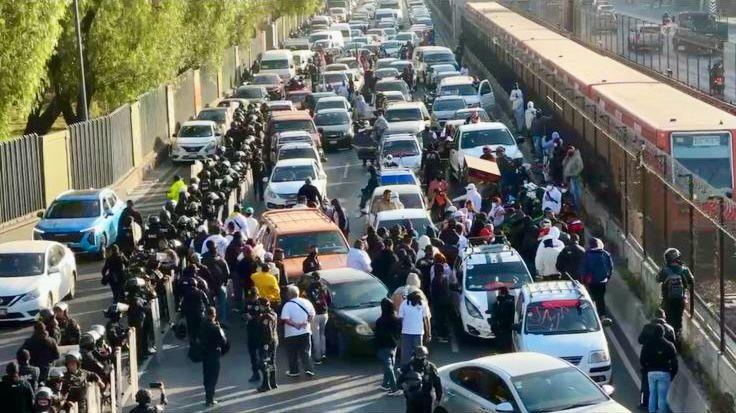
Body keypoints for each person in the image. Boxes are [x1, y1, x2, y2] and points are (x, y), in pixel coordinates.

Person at [638, 309, 677, 407]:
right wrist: (673, 372)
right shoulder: (670, 329)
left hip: (649, 364)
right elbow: (674, 346)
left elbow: (640, 340)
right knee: (662, 394)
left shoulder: (647, 327)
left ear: (654, 316)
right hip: (664, 366)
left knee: (646, 386)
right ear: (664, 317)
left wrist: (644, 365)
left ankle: (644, 403)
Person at [656, 248, 694, 336]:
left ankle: (667, 336)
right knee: (678, 319)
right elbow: (691, 282)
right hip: (680, 299)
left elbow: (657, 279)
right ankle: (678, 337)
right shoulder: (684, 269)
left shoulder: (665, 270)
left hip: (667, 299)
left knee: (668, 319)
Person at [281, 285, 316, 378]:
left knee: (292, 353)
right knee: (305, 351)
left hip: (291, 334)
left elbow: (285, 319)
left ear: (289, 294)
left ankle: (294, 371)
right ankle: (309, 369)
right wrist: (306, 322)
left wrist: (295, 325)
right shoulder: (306, 302)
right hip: (305, 331)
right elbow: (312, 314)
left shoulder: (287, 305)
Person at [398, 346, 442, 413]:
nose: (420, 358)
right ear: (414, 355)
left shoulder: (430, 367)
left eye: (422, 356)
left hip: (426, 399)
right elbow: (398, 382)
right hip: (412, 398)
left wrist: (438, 398)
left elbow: (437, 383)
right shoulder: (408, 367)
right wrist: (402, 385)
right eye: (418, 356)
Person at [198, 307, 228, 407]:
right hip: (214, 354)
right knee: (213, 378)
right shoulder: (216, 328)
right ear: (214, 315)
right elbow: (224, 341)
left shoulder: (202, 324)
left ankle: (208, 397)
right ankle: (210, 399)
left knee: (206, 377)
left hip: (205, 354)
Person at [374, 298, 402, 394]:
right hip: (393, 345)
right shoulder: (397, 320)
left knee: (388, 367)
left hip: (382, 346)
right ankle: (393, 388)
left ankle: (386, 385)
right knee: (390, 366)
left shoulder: (379, 321)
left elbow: (377, 335)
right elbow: (399, 332)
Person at [581, 237, 613, 317]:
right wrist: (607, 278)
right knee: (600, 299)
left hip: (591, 281)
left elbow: (584, 268)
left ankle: (592, 316)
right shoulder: (605, 254)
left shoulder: (587, 254)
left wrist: (584, 280)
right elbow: (610, 267)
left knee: (591, 298)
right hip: (602, 281)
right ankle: (602, 315)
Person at [398, 290, 431, 367]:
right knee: (407, 356)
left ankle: (417, 369)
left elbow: (426, 319)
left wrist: (428, 333)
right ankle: (406, 371)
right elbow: (400, 319)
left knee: (418, 354)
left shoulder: (422, 303)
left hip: (417, 333)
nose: (417, 303)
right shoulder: (404, 303)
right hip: (407, 333)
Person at [306, 273, 331, 364]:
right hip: (324, 313)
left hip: (315, 314)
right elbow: (329, 300)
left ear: (312, 278)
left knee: (315, 336)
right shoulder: (324, 287)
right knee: (322, 335)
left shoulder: (310, 288)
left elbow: (308, 301)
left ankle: (317, 358)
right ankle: (324, 354)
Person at [255, 297, 279, 392]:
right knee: (272, 362)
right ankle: (273, 383)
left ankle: (266, 384)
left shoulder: (265, 317)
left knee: (264, 363)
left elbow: (267, 332)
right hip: (275, 341)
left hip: (267, 342)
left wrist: (265, 344)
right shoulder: (274, 313)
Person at [429, 261, 456, 343]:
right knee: (445, 320)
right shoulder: (445, 278)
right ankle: (445, 335)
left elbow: (433, 293)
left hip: (438, 304)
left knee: (439, 320)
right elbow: (448, 291)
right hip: (445, 303)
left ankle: (441, 336)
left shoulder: (435, 280)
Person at [490, 286, 515, 352]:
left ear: (501, 293)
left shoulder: (498, 302)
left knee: (501, 343)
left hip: (501, 327)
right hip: (509, 326)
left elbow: (495, 315)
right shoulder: (512, 300)